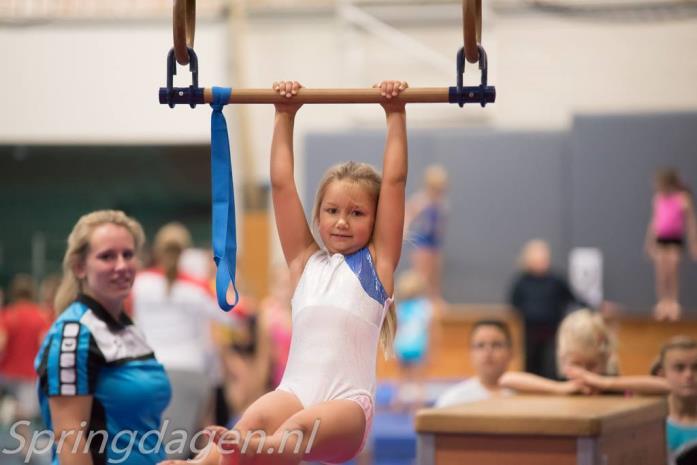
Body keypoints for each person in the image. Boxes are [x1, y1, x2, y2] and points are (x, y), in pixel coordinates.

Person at [163, 79, 408, 465]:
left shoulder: (378, 265)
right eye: (332, 211)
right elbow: (281, 185)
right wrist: (284, 115)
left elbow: (394, 182)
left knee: (297, 428)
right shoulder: (303, 263)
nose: (342, 222)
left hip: (347, 407)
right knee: (257, 415)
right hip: (295, 390)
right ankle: (196, 463)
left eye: (357, 213)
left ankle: (254, 448)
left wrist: (395, 113)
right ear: (319, 214)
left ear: (376, 220)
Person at [34, 210, 172, 465]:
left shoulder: (129, 328)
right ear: (79, 267)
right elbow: (69, 438)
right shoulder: (73, 334)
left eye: (128, 255)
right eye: (107, 256)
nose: (121, 265)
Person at [132, 222, 239, 459]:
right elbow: (235, 316)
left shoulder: (138, 283)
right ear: (185, 252)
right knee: (174, 453)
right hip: (188, 373)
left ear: (158, 250)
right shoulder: (197, 287)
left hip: (147, 372)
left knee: (145, 448)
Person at [499, 309, 669, 396]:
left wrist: (605, 383)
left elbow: (667, 385)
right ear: (562, 359)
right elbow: (506, 379)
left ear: (606, 358)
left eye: (591, 365)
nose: (584, 373)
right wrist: (559, 388)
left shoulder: (615, 388)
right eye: (576, 364)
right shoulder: (562, 385)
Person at [508, 239, 584, 379]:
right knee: (531, 366)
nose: (542, 261)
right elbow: (513, 303)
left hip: (552, 332)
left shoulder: (555, 280)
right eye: (538, 258)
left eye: (544, 258)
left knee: (551, 366)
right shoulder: (521, 281)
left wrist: (596, 307)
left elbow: (574, 298)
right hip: (530, 332)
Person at [644, 168, 697, 321]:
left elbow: (690, 223)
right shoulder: (658, 199)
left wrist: (694, 243)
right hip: (662, 238)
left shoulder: (683, 199)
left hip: (675, 238)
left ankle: (673, 302)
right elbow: (654, 222)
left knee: (672, 270)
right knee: (661, 271)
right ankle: (662, 302)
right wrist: (649, 242)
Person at [0, 274, 51, 422]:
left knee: (20, 412)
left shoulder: (8, 314)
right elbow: (45, 343)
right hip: (30, 374)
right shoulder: (42, 316)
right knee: (26, 415)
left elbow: (1, 343)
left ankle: (9, 408)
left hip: (6, 372)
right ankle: (25, 443)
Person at [435, 320, 514, 407]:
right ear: (470, 354)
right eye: (480, 345)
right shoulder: (452, 401)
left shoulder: (523, 394)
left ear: (511, 352)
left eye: (496, 345)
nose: (488, 352)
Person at [404, 164, 448, 308]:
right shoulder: (420, 200)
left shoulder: (441, 203)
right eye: (436, 188)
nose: (438, 192)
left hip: (435, 241)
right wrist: (405, 230)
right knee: (422, 273)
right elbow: (408, 215)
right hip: (422, 241)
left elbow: (441, 223)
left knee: (435, 273)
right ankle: (418, 299)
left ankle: (434, 299)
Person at [392, 270, 433, 411]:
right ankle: (418, 402)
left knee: (402, 377)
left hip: (402, 345)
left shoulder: (401, 307)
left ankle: (398, 401)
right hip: (417, 346)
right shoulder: (425, 307)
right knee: (418, 378)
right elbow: (430, 329)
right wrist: (431, 349)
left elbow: (396, 328)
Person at [652, 336, 697, 463]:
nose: (689, 375)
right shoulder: (651, 422)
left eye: (696, 367)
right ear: (662, 374)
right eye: (679, 368)